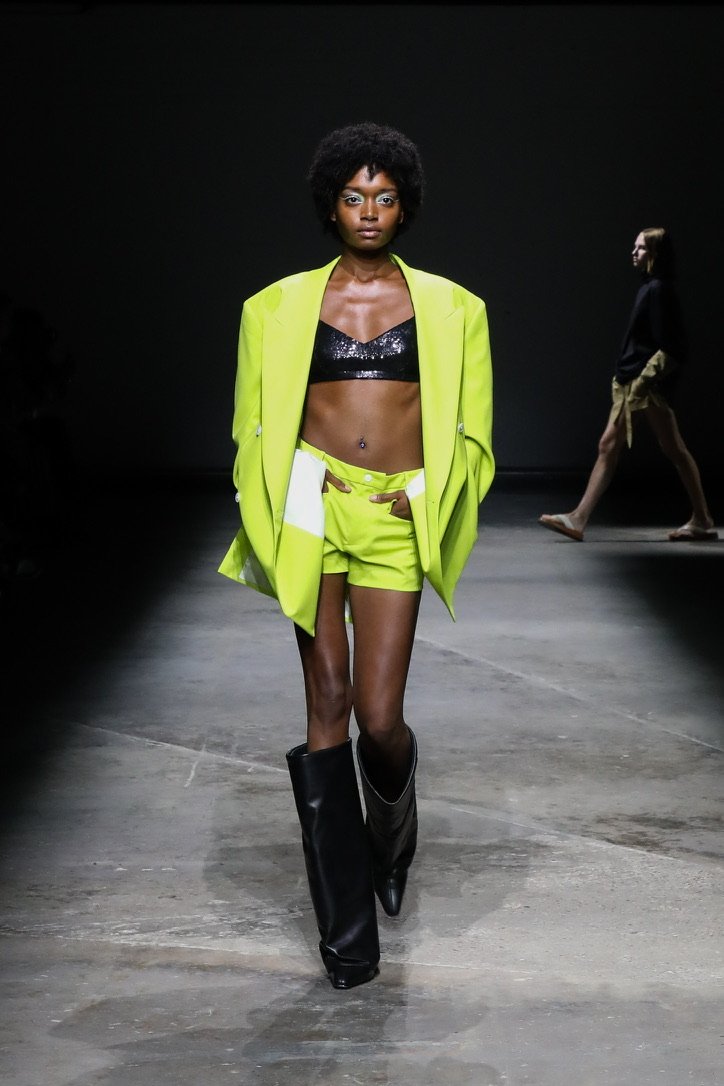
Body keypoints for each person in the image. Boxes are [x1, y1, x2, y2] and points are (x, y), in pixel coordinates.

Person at [218, 122, 494, 989]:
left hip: (396, 508)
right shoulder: (273, 308)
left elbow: (474, 437)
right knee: (326, 700)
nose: (369, 210)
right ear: (330, 205)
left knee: (380, 716)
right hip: (311, 501)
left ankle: (394, 824)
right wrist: (282, 498)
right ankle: (347, 937)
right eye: (353, 195)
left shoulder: (454, 308)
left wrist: (421, 497)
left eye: (383, 196)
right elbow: (250, 426)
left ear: (404, 205)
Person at [539, 227, 717, 543]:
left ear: (655, 253)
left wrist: (641, 382)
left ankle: (579, 519)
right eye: (634, 247)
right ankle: (700, 518)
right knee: (647, 447)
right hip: (634, 385)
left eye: (641, 248)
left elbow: (674, 347)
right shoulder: (651, 288)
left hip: (642, 388)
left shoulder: (658, 290)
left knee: (633, 447)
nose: (633, 253)